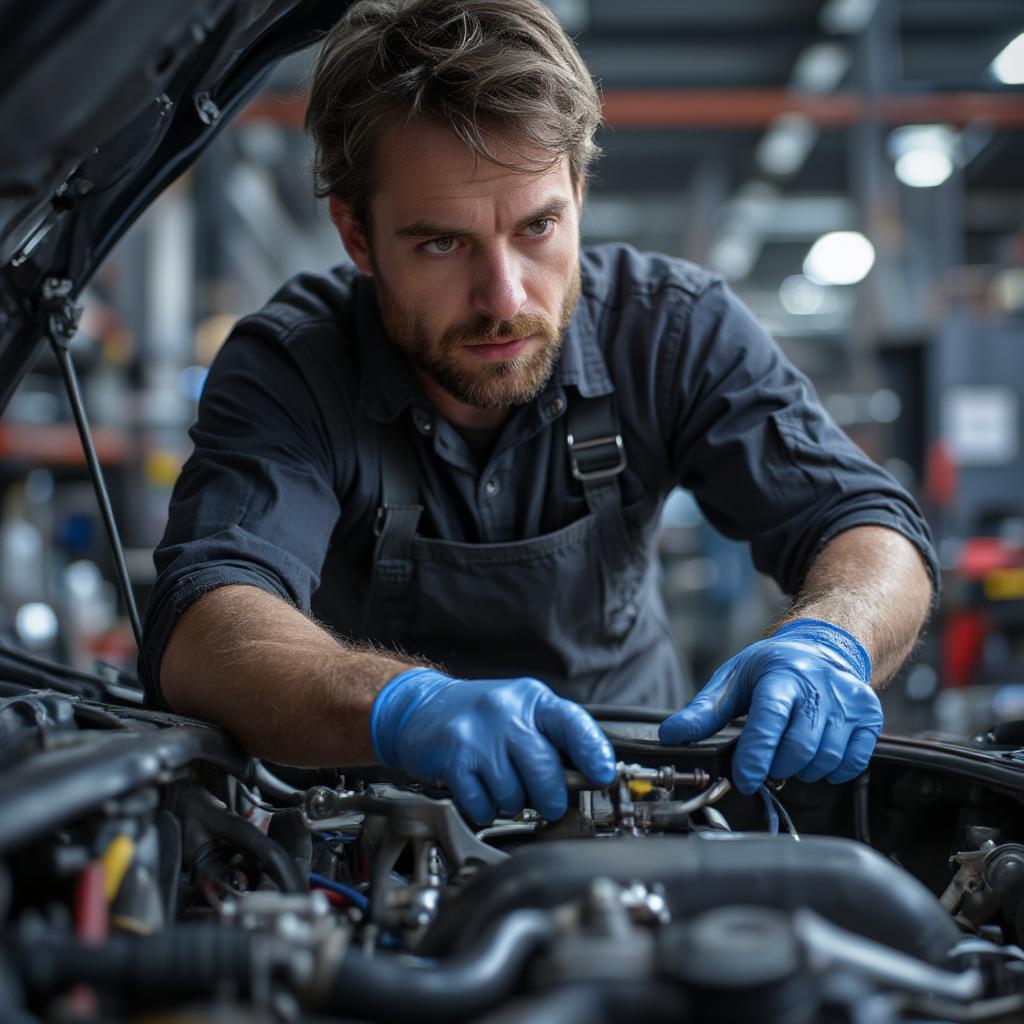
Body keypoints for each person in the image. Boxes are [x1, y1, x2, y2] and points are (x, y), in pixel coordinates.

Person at [141, 0, 936, 824]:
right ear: (357, 235)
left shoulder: (671, 331)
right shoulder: (293, 366)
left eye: (537, 227)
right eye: (441, 243)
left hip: (637, 814)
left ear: (579, 195)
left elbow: (864, 519)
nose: (504, 297)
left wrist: (834, 636)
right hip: (361, 833)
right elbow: (206, 616)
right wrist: (402, 706)